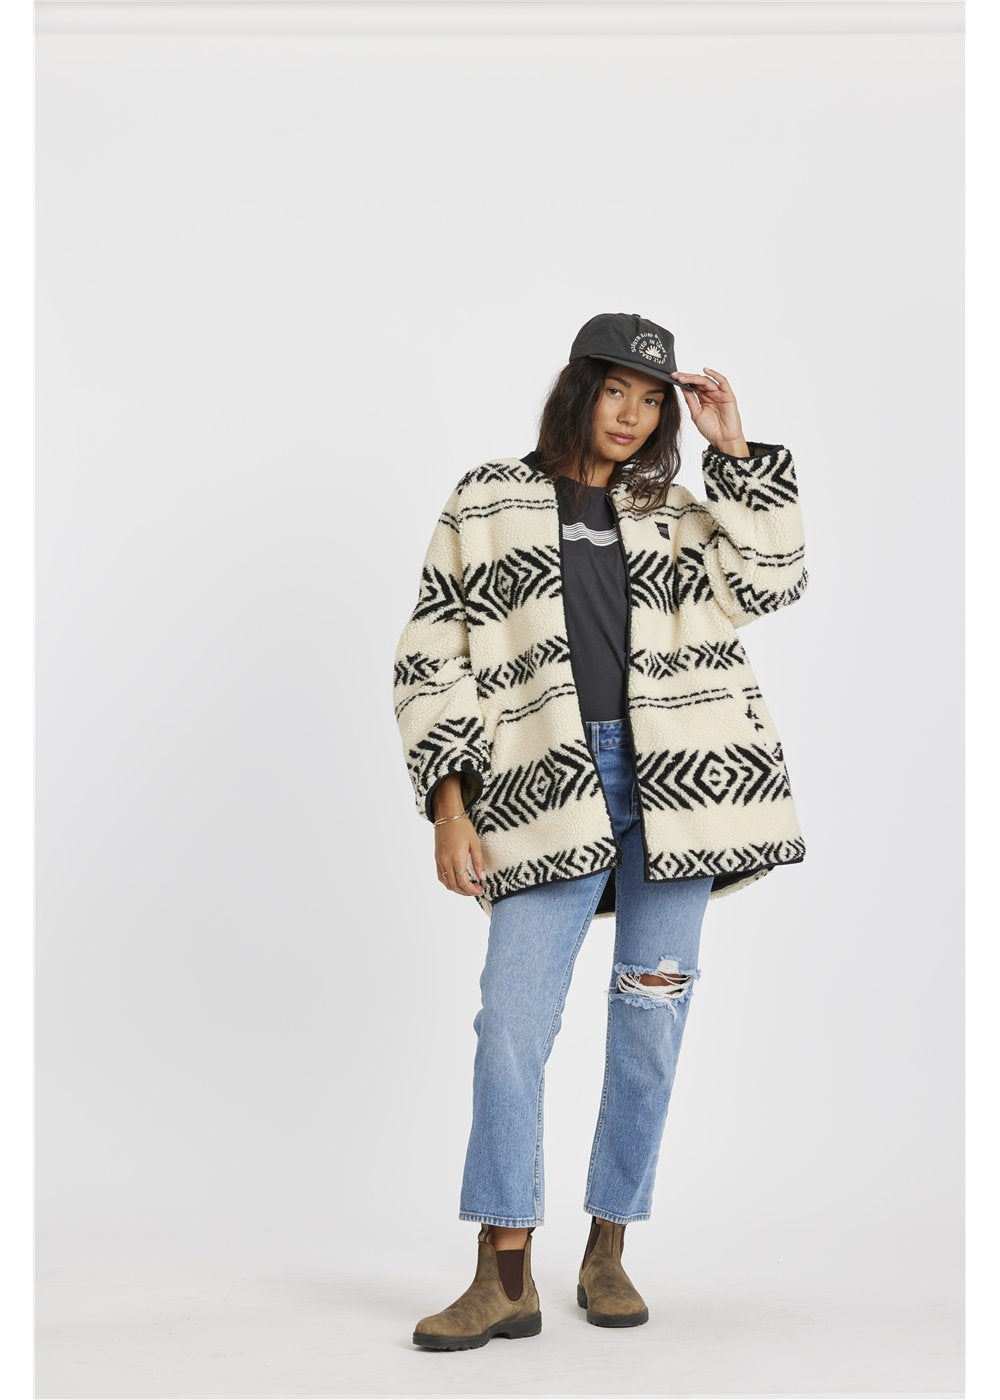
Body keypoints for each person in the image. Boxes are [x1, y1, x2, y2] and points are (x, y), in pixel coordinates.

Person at [392, 312, 808, 1350]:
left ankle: (608, 1247)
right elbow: (431, 654)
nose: (633, 415)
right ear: (578, 390)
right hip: (543, 785)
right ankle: (504, 1272)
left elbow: (774, 581)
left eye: (653, 399)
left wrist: (734, 452)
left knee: (650, 1021)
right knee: (510, 1025)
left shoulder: (673, 511)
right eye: (617, 390)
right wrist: (450, 803)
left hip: (680, 791)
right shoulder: (488, 499)